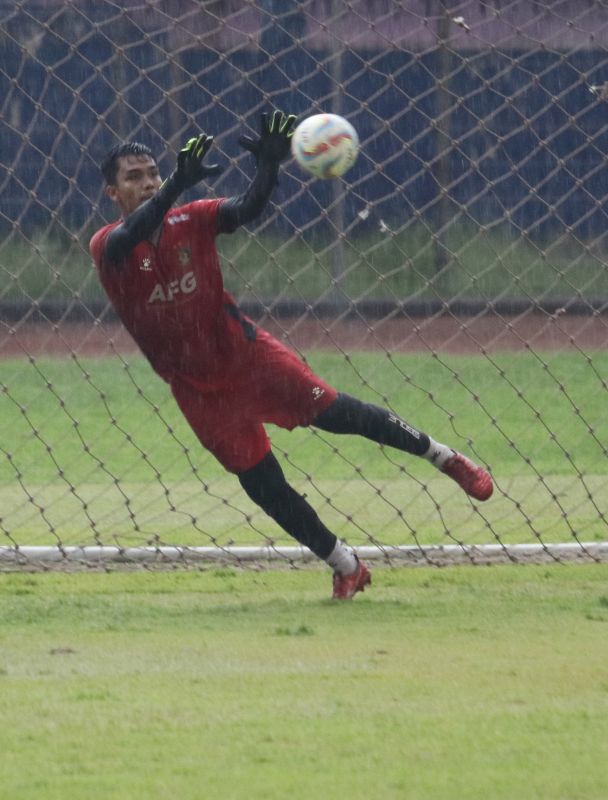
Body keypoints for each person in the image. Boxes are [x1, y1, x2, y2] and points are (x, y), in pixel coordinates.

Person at [89, 111, 493, 600]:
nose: (149, 182)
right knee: (263, 485)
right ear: (113, 193)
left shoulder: (190, 218)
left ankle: (444, 457)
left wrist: (268, 167)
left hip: (249, 358)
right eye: (135, 177)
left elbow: (246, 208)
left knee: (338, 413)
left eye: (153, 172)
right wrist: (176, 182)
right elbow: (130, 235)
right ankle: (345, 564)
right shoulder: (107, 245)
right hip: (197, 390)